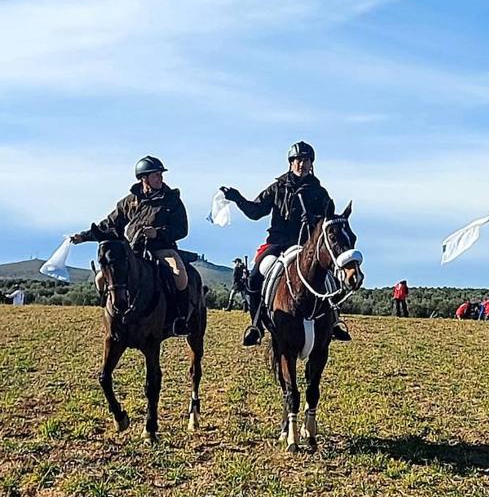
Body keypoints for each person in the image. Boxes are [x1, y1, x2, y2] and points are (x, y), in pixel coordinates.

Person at [220, 141, 351, 346]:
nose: (302, 164)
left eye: (306, 160)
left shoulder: (320, 192)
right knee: (255, 277)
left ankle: (334, 321)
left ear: (311, 164)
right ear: (291, 163)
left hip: (309, 246)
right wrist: (237, 198)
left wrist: (316, 218)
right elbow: (255, 211)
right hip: (279, 244)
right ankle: (256, 326)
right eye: (298, 160)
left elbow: (329, 220)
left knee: (332, 277)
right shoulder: (278, 188)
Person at [70, 156, 191, 335]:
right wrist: (84, 236)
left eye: (160, 174)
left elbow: (182, 229)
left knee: (179, 273)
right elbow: (109, 225)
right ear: (144, 179)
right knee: (100, 279)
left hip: (161, 248)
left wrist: (158, 233)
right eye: (156, 175)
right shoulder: (130, 201)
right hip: (133, 250)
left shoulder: (172, 200)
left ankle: (180, 319)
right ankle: (112, 316)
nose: (161, 178)